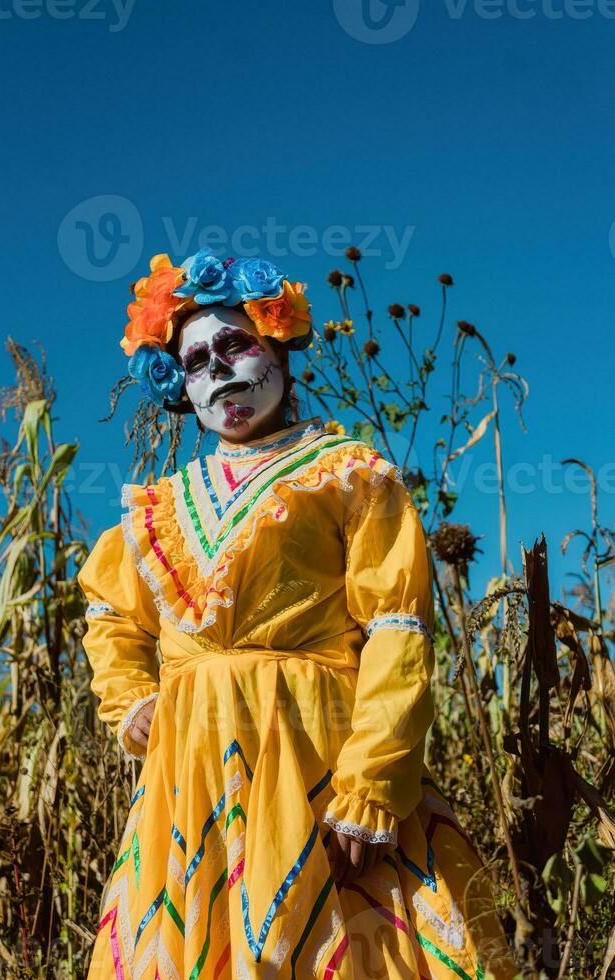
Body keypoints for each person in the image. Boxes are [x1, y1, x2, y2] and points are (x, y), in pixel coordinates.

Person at [78, 250, 516, 978]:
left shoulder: (347, 475)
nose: (219, 371)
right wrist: (132, 702)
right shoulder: (159, 508)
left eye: (235, 344)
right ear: (179, 386)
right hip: (193, 782)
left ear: (277, 343)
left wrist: (373, 784)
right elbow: (112, 613)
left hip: (319, 755)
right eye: (196, 361)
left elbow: (396, 631)